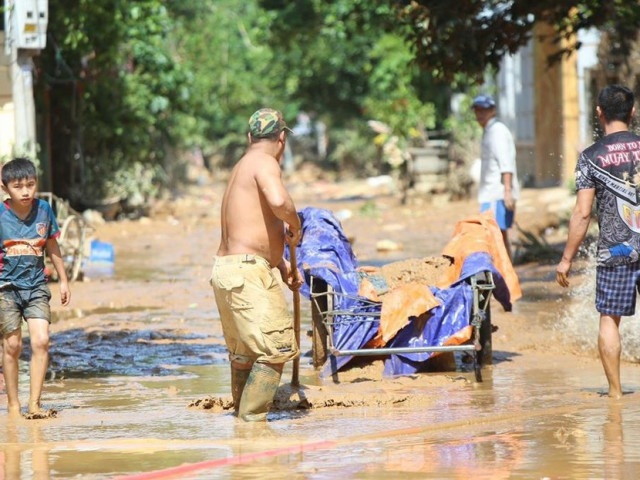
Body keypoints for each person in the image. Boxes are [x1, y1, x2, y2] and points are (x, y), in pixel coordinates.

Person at [210, 108, 302, 422]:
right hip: (247, 273)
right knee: (275, 349)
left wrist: (279, 265)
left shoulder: (241, 166)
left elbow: (251, 227)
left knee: (244, 356)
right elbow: (278, 203)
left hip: (228, 270)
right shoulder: (265, 163)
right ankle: (250, 426)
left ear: (250, 138)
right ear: (282, 139)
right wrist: (295, 222)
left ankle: (241, 424)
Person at [556, 84, 640, 399]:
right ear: (632, 113)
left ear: (599, 113)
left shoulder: (591, 158)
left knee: (610, 320)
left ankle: (616, 394)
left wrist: (566, 259)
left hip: (615, 252)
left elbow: (582, 214)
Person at [0, 157, 71, 418]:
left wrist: (63, 280)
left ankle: (35, 404)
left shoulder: (43, 210)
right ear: (5, 187)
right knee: (13, 346)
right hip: (5, 288)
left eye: (30, 184)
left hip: (37, 286)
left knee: (41, 341)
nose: (26, 191)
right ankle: (13, 404)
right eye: (18, 186)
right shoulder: (0, 215)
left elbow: (52, 245)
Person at [472, 94, 520, 261]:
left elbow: (505, 163)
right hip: (491, 193)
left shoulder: (497, 131)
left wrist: (507, 191)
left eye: (484, 110)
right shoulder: (489, 131)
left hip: (497, 194)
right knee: (497, 236)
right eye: (477, 110)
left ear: (492, 111)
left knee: (495, 235)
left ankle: (505, 274)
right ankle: (505, 274)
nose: (480, 114)